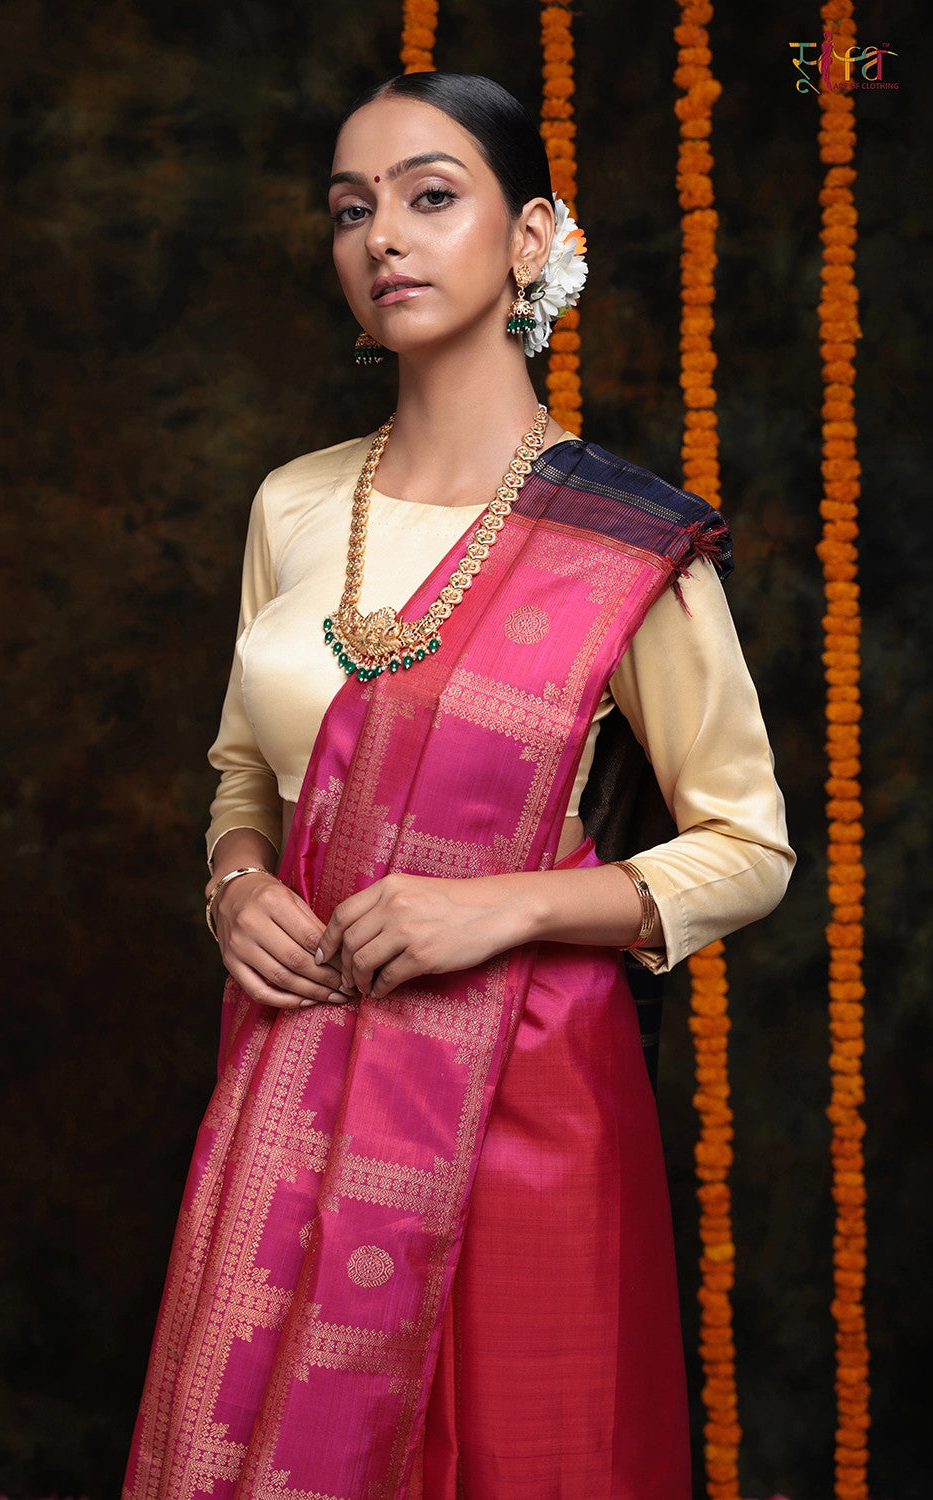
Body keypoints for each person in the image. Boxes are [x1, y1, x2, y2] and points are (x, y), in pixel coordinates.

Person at [124, 72, 793, 1500]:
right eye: (350, 211)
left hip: (524, 1093)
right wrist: (234, 883)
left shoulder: (620, 540)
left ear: (532, 237)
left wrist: (503, 909)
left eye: (432, 197)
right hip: (295, 1064)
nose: (383, 238)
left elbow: (749, 848)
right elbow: (245, 772)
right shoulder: (295, 503)